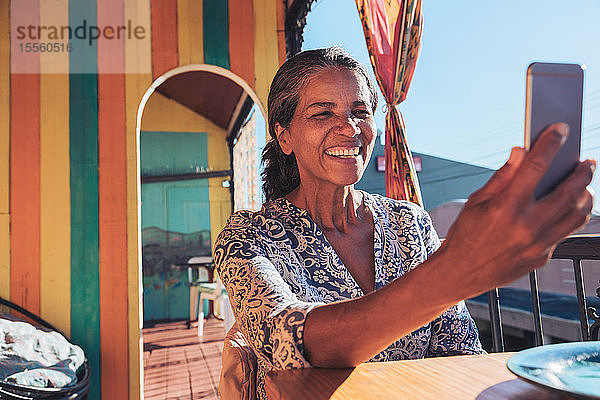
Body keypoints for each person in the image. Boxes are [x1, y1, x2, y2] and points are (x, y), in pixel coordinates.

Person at [214, 47, 595, 399]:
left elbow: (458, 352)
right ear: (285, 136)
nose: (349, 128)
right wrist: (460, 267)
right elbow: (292, 342)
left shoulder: (407, 222)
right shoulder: (248, 235)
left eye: (360, 112)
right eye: (323, 113)